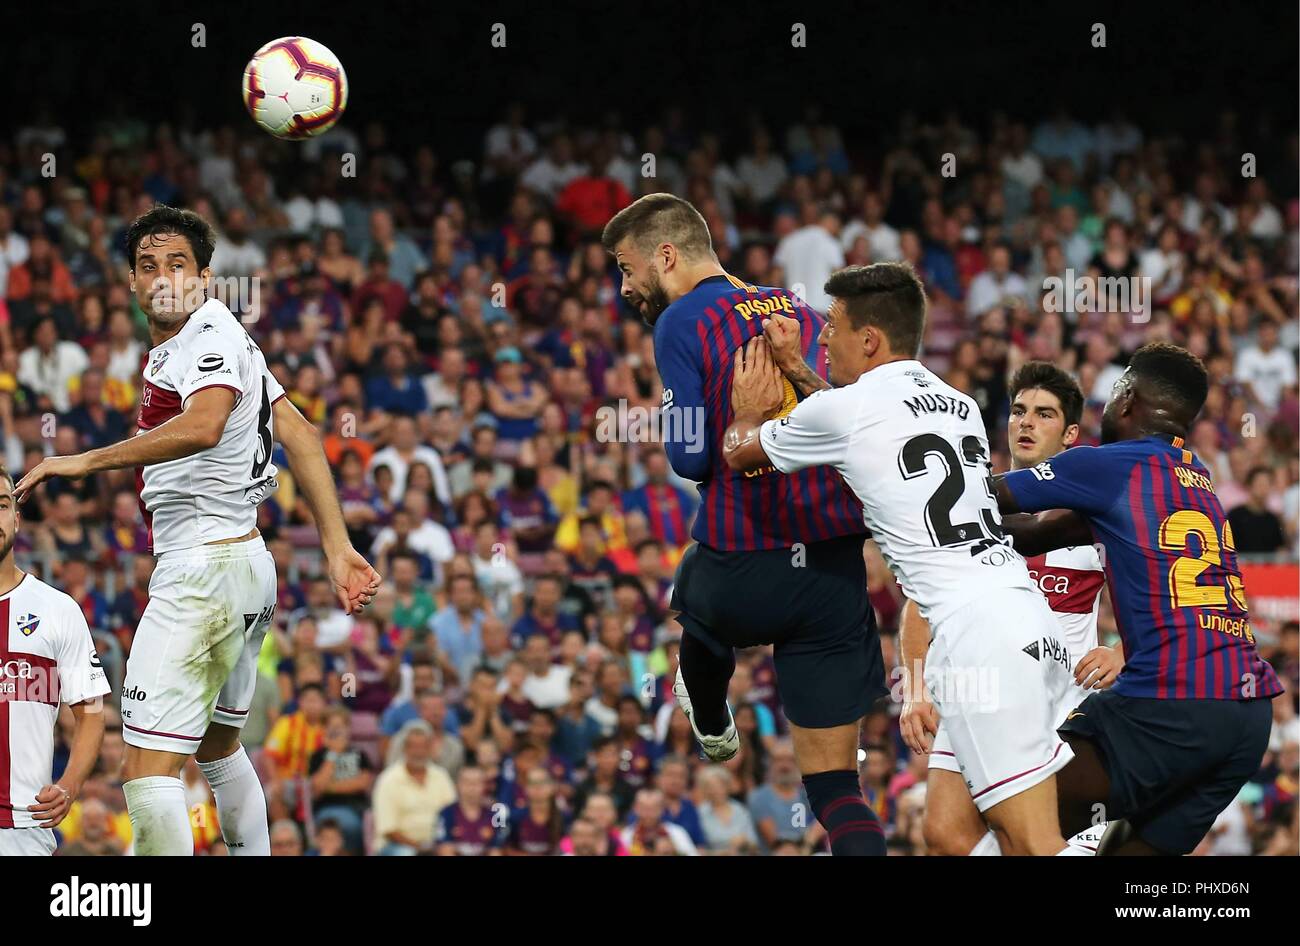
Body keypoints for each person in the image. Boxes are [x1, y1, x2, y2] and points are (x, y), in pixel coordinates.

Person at [13, 206, 381, 856]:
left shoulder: (207, 338)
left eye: (177, 264)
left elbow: (206, 423)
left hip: (202, 572)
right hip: (245, 563)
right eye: (148, 266)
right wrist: (337, 545)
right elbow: (300, 432)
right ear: (130, 281)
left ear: (204, 276)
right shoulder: (231, 337)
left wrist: (83, 460)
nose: (162, 278)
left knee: (146, 771)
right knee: (218, 746)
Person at [725, 261, 1080, 856]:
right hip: (1020, 612)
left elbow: (741, 455)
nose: (821, 337)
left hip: (976, 632)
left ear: (868, 339)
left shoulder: (847, 410)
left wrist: (745, 410)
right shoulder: (959, 403)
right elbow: (861, 423)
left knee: (1035, 841)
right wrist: (797, 370)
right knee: (951, 832)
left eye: (832, 325)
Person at [602, 193, 886, 856]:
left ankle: (706, 705)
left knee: (694, 602)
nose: (624, 286)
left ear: (666, 256)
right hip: (832, 569)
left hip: (745, 556)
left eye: (626, 267)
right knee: (839, 793)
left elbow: (689, 454)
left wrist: (744, 420)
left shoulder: (679, 321)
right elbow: (848, 418)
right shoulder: (797, 307)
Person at [995, 342, 1284, 855]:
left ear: (1126, 398)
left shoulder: (1110, 465)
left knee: (1015, 807)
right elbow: (1031, 534)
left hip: (1174, 702)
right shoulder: (1198, 481)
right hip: (1245, 717)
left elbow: (984, 500)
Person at [901, 362, 1124, 855]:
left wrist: (1122, 651)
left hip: (1057, 702)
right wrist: (915, 687)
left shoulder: (1097, 514)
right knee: (943, 832)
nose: (1025, 422)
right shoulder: (970, 508)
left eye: (1043, 414)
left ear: (1069, 433)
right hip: (977, 687)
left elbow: (1153, 592)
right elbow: (918, 605)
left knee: (1023, 837)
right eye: (1019, 411)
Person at [0, 468, 109, 855]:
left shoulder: (57, 609)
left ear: (16, 518)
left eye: (1, 505)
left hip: (25, 825)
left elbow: (92, 710)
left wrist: (70, 785)